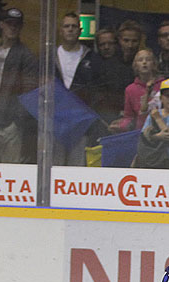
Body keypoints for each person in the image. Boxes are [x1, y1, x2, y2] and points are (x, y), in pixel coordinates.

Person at [0, 7, 37, 164]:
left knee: (10, 173)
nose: (13, 27)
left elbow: (29, 92)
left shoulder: (26, 56)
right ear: (1, 25)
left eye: (16, 25)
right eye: (9, 23)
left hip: (9, 125)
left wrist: (16, 121)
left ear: (21, 27)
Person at [54, 11, 105, 166]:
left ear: (80, 30)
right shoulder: (49, 56)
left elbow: (98, 91)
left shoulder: (92, 58)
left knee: (76, 170)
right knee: (54, 170)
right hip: (55, 125)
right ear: (61, 30)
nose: (70, 29)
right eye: (66, 26)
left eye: (74, 26)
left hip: (81, 126)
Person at [108, 49, 163, 133]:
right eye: (140, 60)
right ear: (135, 65)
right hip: (141, 132)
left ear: (154, 64)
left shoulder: (164, 84)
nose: (144, 62)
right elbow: (129, 117)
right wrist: (120, 126)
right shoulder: (130, 90)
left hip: (162, 128)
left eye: (148, 60)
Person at [134, 78, 169, 169]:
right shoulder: (153, 114)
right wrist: (157, 136)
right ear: (161, 98)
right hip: (154, 160)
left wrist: (158, 119)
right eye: (168, 95)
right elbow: (145, 135)